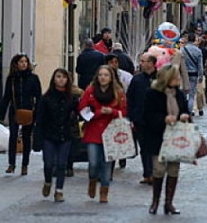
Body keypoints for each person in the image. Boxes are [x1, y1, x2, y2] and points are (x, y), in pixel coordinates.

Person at [143, 64, 190, 215]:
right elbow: (147, 115)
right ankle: (155, 201)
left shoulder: (179, 94)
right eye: (176, 77)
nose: (178, 79)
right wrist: (163, 119)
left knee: (173, 169)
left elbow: (185, 110)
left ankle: (168, 203)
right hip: (158, 137)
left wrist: (184, 116)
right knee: (158, 169)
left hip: (176, 137)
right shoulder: (152, 93)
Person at [78, 65, 127, 203]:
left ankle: (104, 190)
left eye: (106, 75)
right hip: (93, 132)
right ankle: (92, 179)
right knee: (93, 162)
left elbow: (124, 112)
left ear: (111, 77)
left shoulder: (118, 92)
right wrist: (99, 112)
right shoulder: (90, 91)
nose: (103, 77)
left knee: (107, 164)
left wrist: (112, 112)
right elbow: (82, 109)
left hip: (111, 132)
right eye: (100, 75)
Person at [33, 68, 79, 202]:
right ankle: (48, 181)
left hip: (65, 135)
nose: (61, 80)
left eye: (64, 77)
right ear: (54, 79)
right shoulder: (46, 98)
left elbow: (81, 112)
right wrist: (37, 138)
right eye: (58, 77)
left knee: (61, 164)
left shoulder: (71, 98)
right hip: (49, 135)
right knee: (48, 163)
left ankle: (59, 190)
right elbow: (39, 119)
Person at [0, 53, 42, 175]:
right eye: (21, 62)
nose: (24, 64)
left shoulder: (33, 78)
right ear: (16, 64)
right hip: (15, 109)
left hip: (29, 111)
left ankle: (25, 165)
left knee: (26, 137)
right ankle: (11, 164)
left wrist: (38, 113)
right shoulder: (12, 79)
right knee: (13, 136)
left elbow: (38, 96)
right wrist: (2, 114)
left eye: (25, 62)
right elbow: (6, 97)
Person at [127, 53, 158, 185]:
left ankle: (155, 172)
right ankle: (147, 173)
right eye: (141, 61)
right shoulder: (137, 79)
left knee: (155, 147)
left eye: (144, 61)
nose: (141, 63)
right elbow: (130, 98)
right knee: (144, 147)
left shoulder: (161, 78)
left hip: (157, 119)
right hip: (140, 118)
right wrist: (131, 115)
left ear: (151, 63)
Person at [181, 33, 203, 116]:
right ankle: (189, 111)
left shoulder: (183, 50)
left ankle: (183, 110)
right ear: (194, 40)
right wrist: (200, 76)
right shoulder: (198, 51)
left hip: (184, 74)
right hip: (194, 74)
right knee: (191, 95)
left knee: (183, 93)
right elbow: (200, 65)